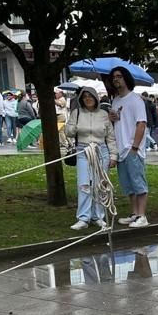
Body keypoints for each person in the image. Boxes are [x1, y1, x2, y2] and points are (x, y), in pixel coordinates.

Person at [64, 86, 116, 231]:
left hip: (101, 151)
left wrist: (113, 156)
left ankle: (98, 216)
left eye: (90, 96)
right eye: (85, 96)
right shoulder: (77, 113)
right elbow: (68, 131)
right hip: (83, 151)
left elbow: (110, 137)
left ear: (95, 98)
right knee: (84, 184)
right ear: (81, 98)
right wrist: (75, 128)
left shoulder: (103, 114)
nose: (88, 98)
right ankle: (83, 218)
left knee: (99, 185)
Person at [109, 66, 150, 228]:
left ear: (126, 78)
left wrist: (134, 147)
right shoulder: (116, 100)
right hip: (120, 149)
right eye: (114, 77)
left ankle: (142, 215)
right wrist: (113, 117)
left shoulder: (136, 100)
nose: (116, 79)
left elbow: (141, 124)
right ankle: (134, 214)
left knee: (139, 183)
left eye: (119, 76)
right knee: (128, 185)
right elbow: (119, 122)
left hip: (132, 149)